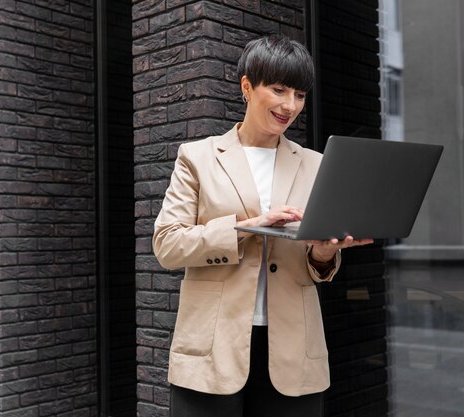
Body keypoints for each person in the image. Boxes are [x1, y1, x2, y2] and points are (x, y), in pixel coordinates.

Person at [153, 34, 373, 417]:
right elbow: (168, 245)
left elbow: (315, 266)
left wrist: (323, 254)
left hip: (292, 350)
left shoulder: (316, 164)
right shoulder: (197, 158)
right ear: (246, 87)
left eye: (300, 95)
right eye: (279, 90)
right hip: (211, 350)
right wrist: (247, 227)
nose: (290, 106)